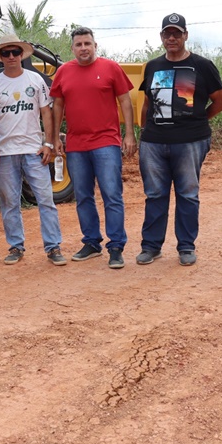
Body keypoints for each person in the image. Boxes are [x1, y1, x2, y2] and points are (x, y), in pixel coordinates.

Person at [136, 13, 222, 267]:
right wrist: (145, 135)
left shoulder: (202, 65)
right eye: (168, 33)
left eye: (177, 33)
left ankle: (186, 247)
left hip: (190, 141)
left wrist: (199, 121)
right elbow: (147, 104)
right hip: (154, 142)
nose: (172, 38)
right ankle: (151, 246)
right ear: (161, 37)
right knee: (155, 194)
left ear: (186, 35)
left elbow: (221, 101)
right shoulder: (153, 66)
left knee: (188, 194)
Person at [51, 27, 136, 269]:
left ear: (95, 45)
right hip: (77, 145)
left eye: (87, 43)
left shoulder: (110, 68)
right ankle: (91, 242)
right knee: (83, 196)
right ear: (72, 48)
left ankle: (116, 246)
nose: (83, 48)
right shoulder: (64, 72)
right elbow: (57, 105)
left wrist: (129, 133)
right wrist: (55, 136)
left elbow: (125, 101)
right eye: (79, 44)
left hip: (106, 142)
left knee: (111, 194)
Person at [0, 34, 67, 266]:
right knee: (10, 202)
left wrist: (48, 144)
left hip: (34, 150)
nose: (11, 56)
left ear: (22, 54)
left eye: (15, 52)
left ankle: (53, 247)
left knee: (45, 200)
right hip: (6, 153)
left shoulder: (35, 80)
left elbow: (46, 113)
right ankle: (15, 246)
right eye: (6, 53)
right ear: (0, 57)